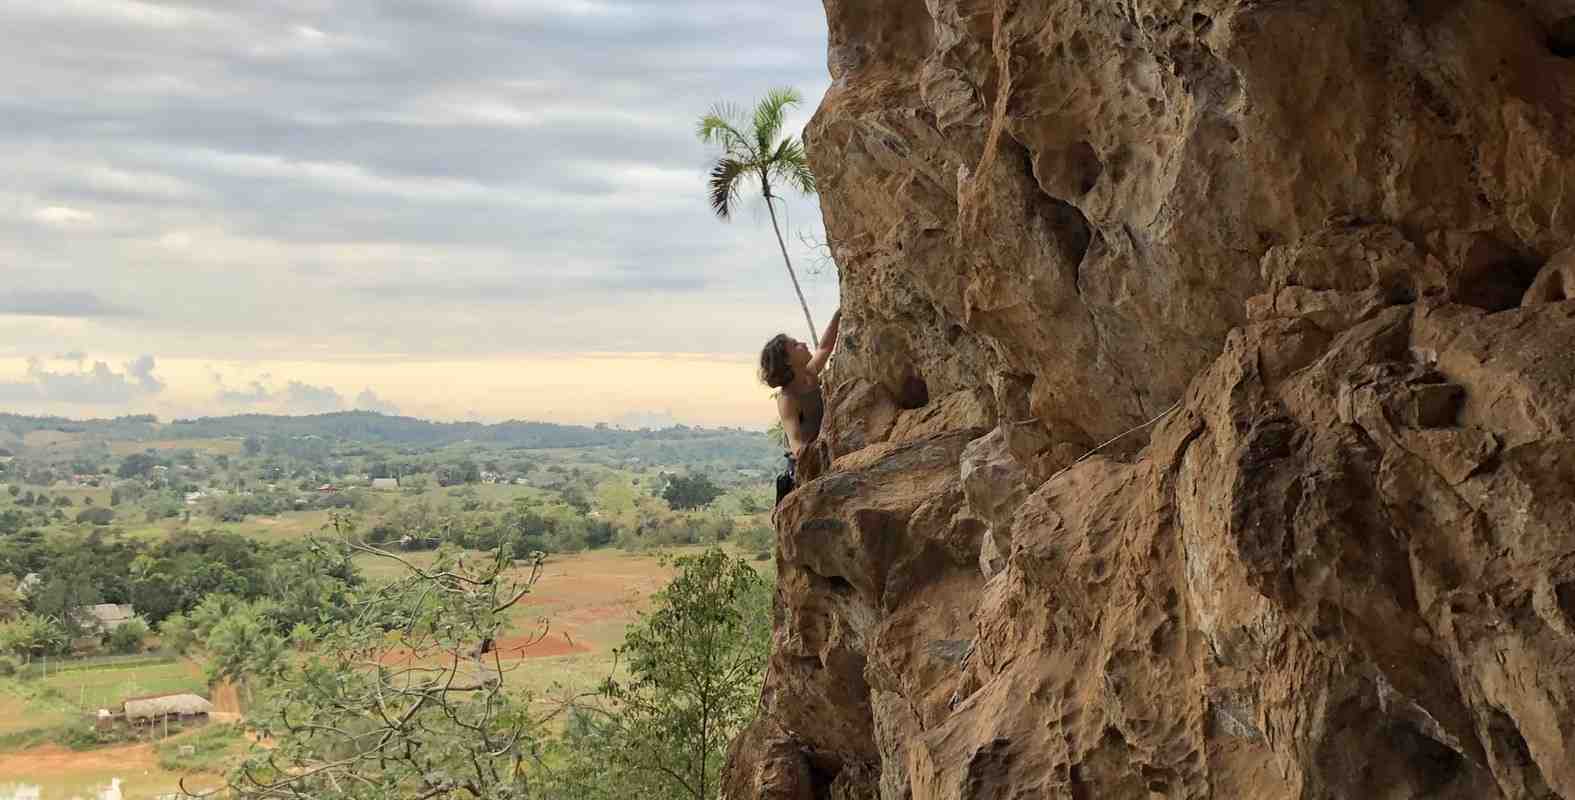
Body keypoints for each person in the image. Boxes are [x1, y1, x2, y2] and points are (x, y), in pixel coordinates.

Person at [760, 309, 841, 505]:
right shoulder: (788, 399)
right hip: (805, 466)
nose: (803, 344)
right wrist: (812, 459)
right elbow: (795, 441)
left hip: (825, 453)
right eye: (795, 345)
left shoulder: (809, 374)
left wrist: (838, 315)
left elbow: (825, 347)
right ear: (787, 361)